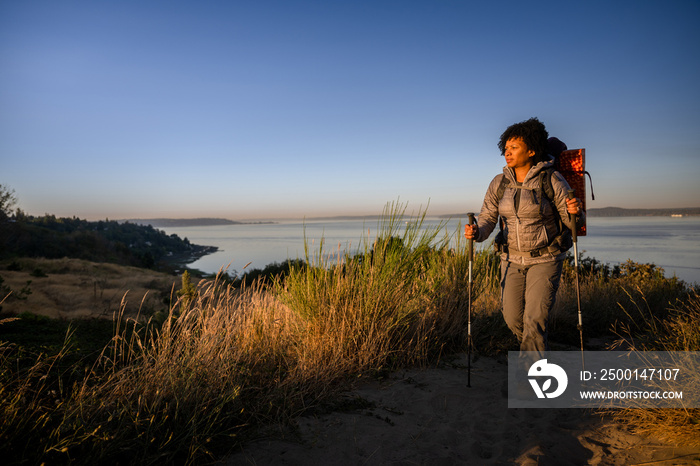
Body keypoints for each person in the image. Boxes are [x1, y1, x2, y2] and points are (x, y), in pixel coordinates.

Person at [464, 117, 583, 358]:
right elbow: (487, 218)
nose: (507, 152)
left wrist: (575, 213)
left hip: (546, 259)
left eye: (514, 147)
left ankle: (530, 384)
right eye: (505, 148)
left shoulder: (551, 179)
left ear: (531, 150)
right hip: (511, 260)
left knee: (534, 321)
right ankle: (538, 353)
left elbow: (572, 225)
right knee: (512, 319)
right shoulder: (499, 183)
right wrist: (477, 233)